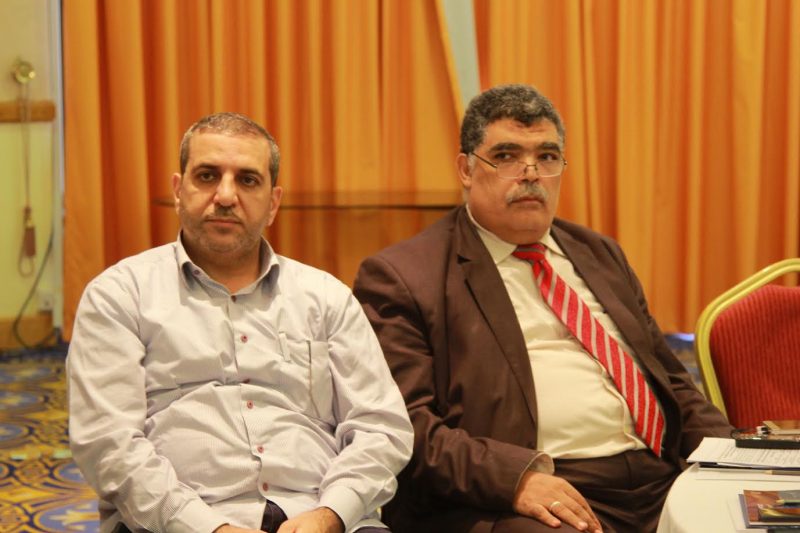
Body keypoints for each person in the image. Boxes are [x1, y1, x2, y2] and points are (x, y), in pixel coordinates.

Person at [352, 84, 732, 533]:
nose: (530, 173)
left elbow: (671, 380)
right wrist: (516, 480)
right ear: (467, 169)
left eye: (547, 156)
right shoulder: (404, 276)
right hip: (523, 494)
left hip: (659, 478)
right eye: (507, 156)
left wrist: (730, 457)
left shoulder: (599, 253)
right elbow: (406, 426)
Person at [67, 112, 413, 533]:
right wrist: (208, 528)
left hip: (319, 515)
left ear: (273, 202)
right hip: (173, 522)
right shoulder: (119, 295)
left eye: (247, 180)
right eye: (207, 176)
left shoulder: (326, 297)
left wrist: (332, 513)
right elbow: (108, 443)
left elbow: (381, 426)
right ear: (178, 191)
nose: (226, 195)